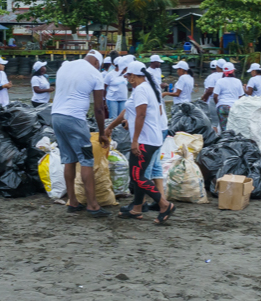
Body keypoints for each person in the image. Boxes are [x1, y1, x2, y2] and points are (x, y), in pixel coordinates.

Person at [104, 61, 175, 224]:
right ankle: (136, 209)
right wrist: (111, 127)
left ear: (134, 76)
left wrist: (135, 140)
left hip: (146, 139)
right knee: (137, 175)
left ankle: (164, 205)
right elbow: (129, 111)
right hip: (150, 138)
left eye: (128, 75)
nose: (128, 79)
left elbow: (141, 114)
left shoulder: (142, 89)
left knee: (137, 176)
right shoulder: (145, 88)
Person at [51, 50, 109, 217]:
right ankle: (92, 205)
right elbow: (98, 108)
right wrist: (102, 132)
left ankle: (73, 202)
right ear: (97, 63)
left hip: (56, 117)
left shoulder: (65, 66)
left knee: (69, 159)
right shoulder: (95, 74)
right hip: (75, 119)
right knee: (86, 160)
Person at [214, 62, 245, 131]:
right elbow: (241, 97)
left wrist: (218, 104)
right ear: (233, 71)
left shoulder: (220, 81)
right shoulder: (238, 81)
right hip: (233, 107)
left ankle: (223, 139)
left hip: (222, 106)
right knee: (232, 127)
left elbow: (215, 95)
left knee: (223, 127)